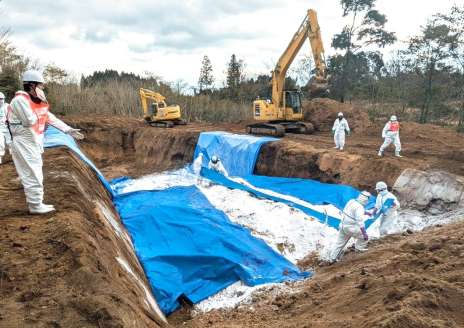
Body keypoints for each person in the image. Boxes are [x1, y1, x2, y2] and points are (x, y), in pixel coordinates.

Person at [7, 70, 84, 214]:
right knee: (33, 173)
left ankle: (36, 203)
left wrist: (68, 130)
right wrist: (39, 108)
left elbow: (49, 117)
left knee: (35, 172)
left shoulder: (34, 102)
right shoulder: (20, 101)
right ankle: (35, 205)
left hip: (33, 141)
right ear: (31, 85)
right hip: (24, 142)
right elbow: (29, 120)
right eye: (40, 86)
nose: (42, 90)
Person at [329, 191, 371, 262]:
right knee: (364, 238)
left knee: (339, 244)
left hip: (342, 225)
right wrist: (364, 234)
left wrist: (366, 212)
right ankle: (359, 249)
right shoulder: (360, 207)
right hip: (351, 228)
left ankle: (332, 259)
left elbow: (352, 210)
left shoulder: (351, 201)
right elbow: (360, 221)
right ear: (365, 200)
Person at [0, 92, 9, 164]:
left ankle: (15, 157)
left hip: (8, 127)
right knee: (0, 143)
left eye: (1, 99)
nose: (0, 100)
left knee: (11, 142)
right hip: (0, 128)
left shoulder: (7, 106)